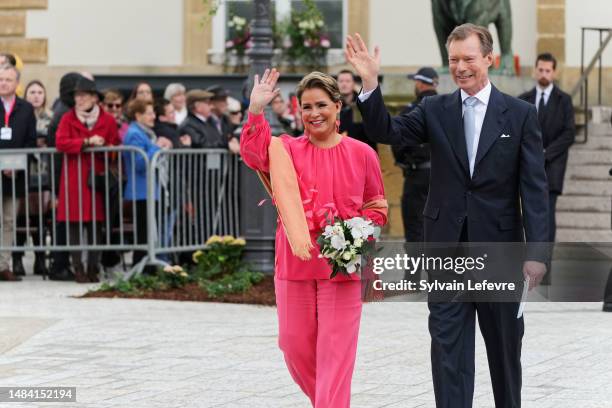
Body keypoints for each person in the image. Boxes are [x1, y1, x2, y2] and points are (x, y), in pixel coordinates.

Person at [347, 24, 548, 408]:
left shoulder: (521, 115)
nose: (460, 67)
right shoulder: (433, 109)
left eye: (468, 59)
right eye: (453, 60)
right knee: (448, 351)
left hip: (499, 253)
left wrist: (537, 253)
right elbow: (387, 130)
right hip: (446, 253)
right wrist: (370, 84)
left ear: (490, 59)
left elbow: (534, 188)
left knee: (505, 352)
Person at [241, 69, 388, 407]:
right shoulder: (286, 150)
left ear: (338, 107)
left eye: (321, 105)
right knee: (293, 346)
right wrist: (255, 111)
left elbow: (377, 206)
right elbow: (252, 155)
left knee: (336, 353)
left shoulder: (362, 153)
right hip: (295, 263)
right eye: (306, 107)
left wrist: (355, 233)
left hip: (343, 268)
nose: (314, 113)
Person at [55, 77, 120, 283]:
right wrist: (85, 142)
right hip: (74, 176)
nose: (79, 99)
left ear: (94, 98)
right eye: (77, 96)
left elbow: (116, 146)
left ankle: (93, 267)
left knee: (95, 224)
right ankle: (78, 269)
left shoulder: (108, 120)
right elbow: (60, 142)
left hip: (97, 178)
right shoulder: (67, 118)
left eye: (83, 95)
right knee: (74, 223)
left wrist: (106, 148)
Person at [519, 52, 575, 245]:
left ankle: (545, 257)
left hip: (552, 167)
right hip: (527, 167)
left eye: (547, 70)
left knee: (547, 213)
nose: (544, 74)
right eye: (540, 70)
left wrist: (545, 154)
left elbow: (569, 133)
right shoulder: (523, 99)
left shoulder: (564, 100)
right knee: (527, 212)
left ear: (554, 73)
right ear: (535, 71)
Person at [123, 99, 172, 273]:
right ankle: (143, 268)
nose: (154, 116)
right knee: (144, 233)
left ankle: (148, 268)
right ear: (138, 115)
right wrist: (157, 147)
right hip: (141, 191)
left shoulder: (145, 133)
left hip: (150, 190)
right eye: (149, 113)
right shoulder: (134, 133)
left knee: (150, 232)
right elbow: (140, 162)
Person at [12, 80, 54, 277]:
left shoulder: (52, 118)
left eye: (40, 92)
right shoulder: (19, 114)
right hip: (23, 173)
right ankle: (17, 259)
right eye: (32, 92)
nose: (36, 95)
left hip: (43, 174)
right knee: (19, 217)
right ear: (25, 95)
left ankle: (40, 259)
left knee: (39, 219)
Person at [0, 64, 37, 281]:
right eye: (0, 79)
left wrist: (15, 164)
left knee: (9, 221)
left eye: (8, 79)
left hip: (15, 175)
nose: (3, 83)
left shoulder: (25, 108)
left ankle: (3, 264)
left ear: (16, 83)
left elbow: (30, 141)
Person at [394, 67, 438, 244]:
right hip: (444, 177)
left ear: (420, 84)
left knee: (414, 227)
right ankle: (439, 270)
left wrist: (403, 162)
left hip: (417, 175)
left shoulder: (411, 110)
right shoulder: (449, 107)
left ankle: (412, 272)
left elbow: (398, 141)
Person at [46, 72, 83, 281]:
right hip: (62, 174)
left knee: (64, 221)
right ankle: (59, 264)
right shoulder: (64, 112)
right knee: (62, 222)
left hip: (63, 174)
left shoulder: (64, 108)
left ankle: (61, 262)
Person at [337, 69, 377, 151]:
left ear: (353, 84)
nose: (344, 84)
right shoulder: (333, 105)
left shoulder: (363, 102)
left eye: (348, 81)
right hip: (342, 151)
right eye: (341, 81)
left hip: (363, 150)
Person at [206, 85, 240, 154]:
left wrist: (234, 138)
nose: (227, 103)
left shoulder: (225, 119)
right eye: (223, 100)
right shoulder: (204, 120)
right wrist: (227, 144)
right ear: (211, 103)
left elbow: (229, 138)